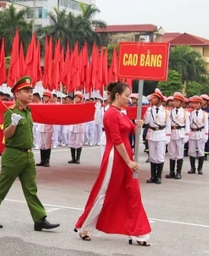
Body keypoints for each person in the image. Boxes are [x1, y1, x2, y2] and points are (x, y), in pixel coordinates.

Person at [75, 82, 151, 246]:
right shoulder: (110, 114)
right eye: (126, 96)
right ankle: (84, 227)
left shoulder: (121, 113)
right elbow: (116, 141)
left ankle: (138, 232)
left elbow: (132, 130)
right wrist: (129, 161)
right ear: (117, 96)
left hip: (126, 157)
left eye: (130, 96)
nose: (128, 99)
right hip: (115, 158)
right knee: (105, 193)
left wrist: (138, 125)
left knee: (133, 192)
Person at [0, 76, 59, 232]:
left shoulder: (28, 111)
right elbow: (7, 134)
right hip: (13, 155)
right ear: (17, 94)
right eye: (26, 91)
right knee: (3, 187)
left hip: (28, 155)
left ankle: (39, 219)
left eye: (31, 91)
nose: (30, 94)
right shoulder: (11, 111)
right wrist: (13, 124)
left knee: (31, 189)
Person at [143, 89, 168, 184]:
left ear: (159, 100)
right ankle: (153, 176)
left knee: (160, 156)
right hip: (151, 133)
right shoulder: (149, 110)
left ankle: (159, 176)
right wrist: (147, 113)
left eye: (154, 98)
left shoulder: (165, 112)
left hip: (161, 134)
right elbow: (146, 122)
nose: (152, 100)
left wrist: (168, 138)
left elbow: (168, 126)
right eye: (152, 98)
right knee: (152, 156)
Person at [165, 92, 188, 180]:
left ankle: (178, 172)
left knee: (179, 154)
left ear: (181, 103)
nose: (175, 103)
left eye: (177, 101)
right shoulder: (170, 112)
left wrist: (186, 136)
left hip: (180, 133)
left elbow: (187, 125)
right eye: (174, 101)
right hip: (172, 133)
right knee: (172, 153)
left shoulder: (185, 113)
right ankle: (172, 172)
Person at [186, 95, 209, 175]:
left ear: (200, 104)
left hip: (200, 133)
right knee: (191, 151)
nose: (195, 105)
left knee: (201, 151)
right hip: (192, 133)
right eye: (194, 103)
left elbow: (206, 126)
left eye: (197, 103)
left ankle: (200, 168)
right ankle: (192, 168)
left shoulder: (204, 114)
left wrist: (206, 136)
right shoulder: (190, 113)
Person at [35, 90, 54, 168]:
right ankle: (42, 160)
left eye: (46, 97)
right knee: (42, 144)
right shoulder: (41, 105)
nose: (45, 98)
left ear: (49, 98)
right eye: (44, 97)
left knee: (47, 145)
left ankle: (47, 161)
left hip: (48, 127)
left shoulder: (51, 106)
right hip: (41, 127)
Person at [67, 92, 86, 164]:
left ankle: (78, 158)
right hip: (72, 126)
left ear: (81, 99)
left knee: (79, 142)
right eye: (75, 97)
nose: (76, 99)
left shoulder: (83, 107)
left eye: (78, 98)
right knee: (71, 142)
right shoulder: (72, 106)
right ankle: (73, 158)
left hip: (79, 126)